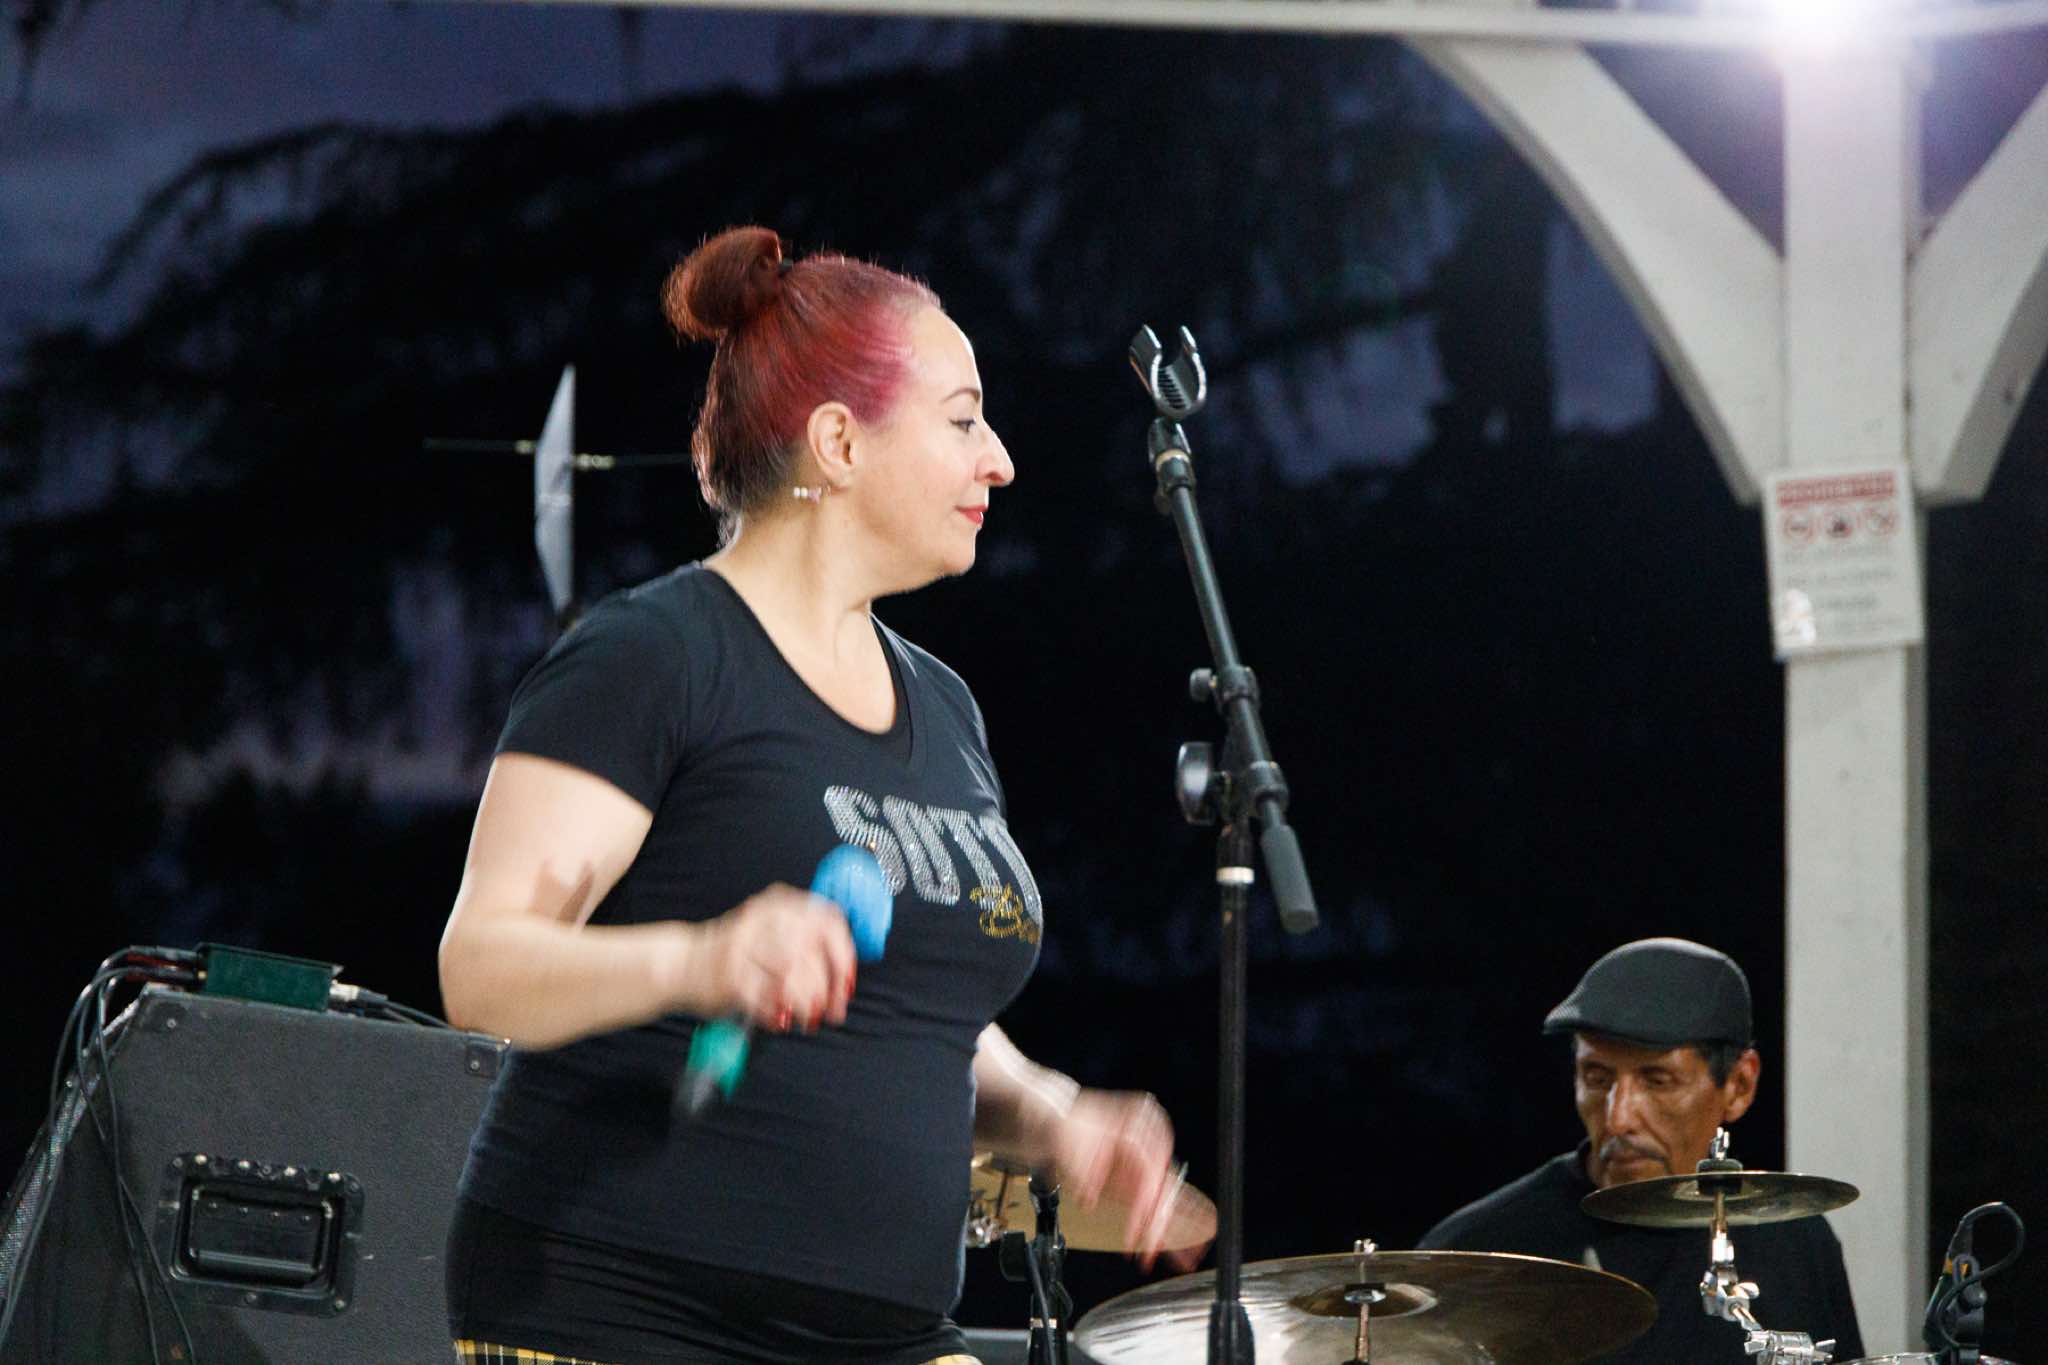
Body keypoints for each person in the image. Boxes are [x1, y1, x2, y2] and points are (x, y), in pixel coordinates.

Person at [436, 226, 1195, 1365]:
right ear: (838, 442)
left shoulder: (944, 708)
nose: (999, 460)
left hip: (882, 1333)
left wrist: (1050, 1110)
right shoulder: (652, 656)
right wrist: (700, 959)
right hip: (625, 1316)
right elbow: (482, 967)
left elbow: (912, 1008)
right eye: (962, 421)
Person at [1419, 937, 1864, 1362]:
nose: (1618, 1119)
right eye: (1597, 1078)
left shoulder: (1795, 1239)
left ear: (1739, 1085)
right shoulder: (1479, 1253)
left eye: (1656, 1081)